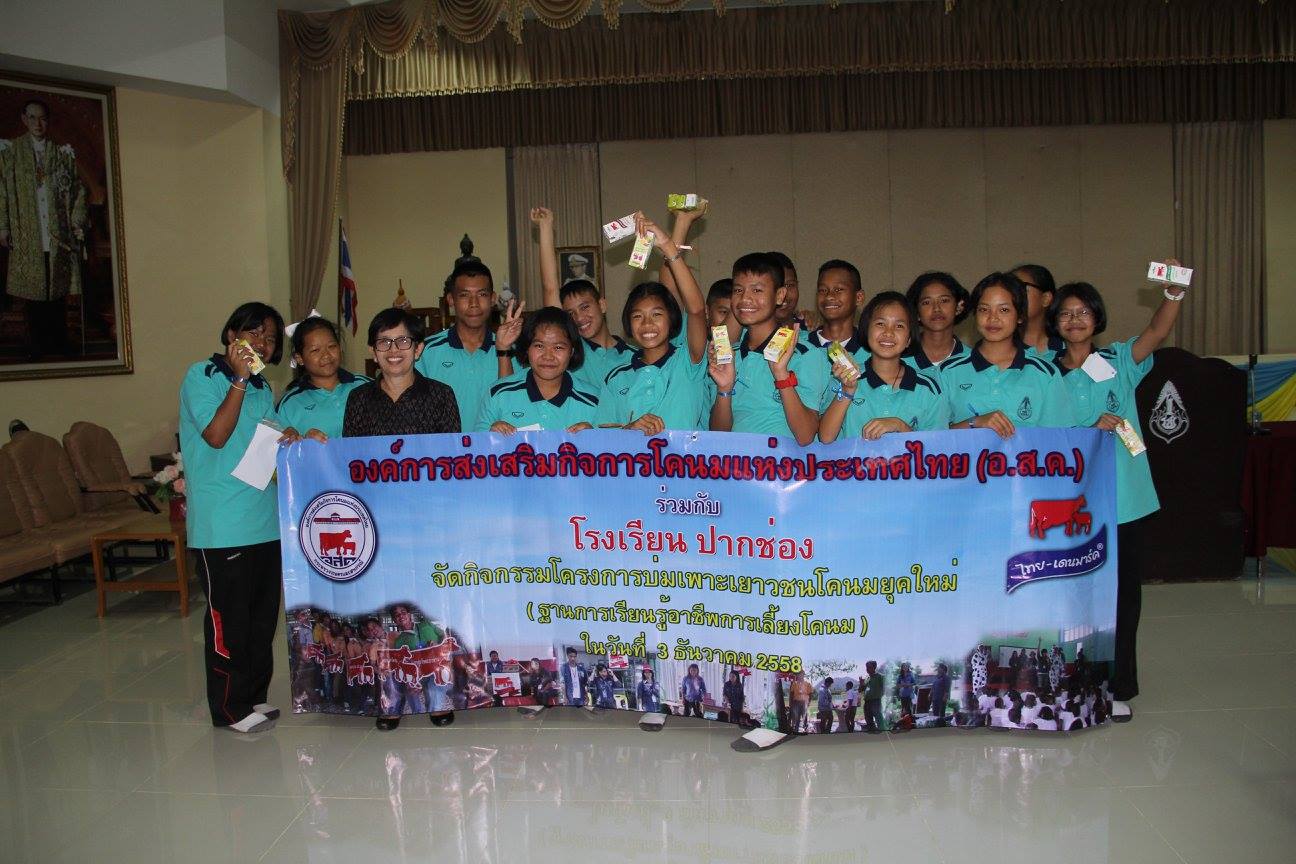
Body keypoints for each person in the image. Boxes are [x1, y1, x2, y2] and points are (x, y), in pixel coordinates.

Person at [1049, 272, 1188, 721]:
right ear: (1055, 321)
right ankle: (1070, 681)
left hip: (1123, 499)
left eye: (1083, 312)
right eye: (1066, 313)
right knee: (1073, 597)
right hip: (1071, 504)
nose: (1075, 320)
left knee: (1123, 596)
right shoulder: (1044, 371)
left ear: (1097, 318)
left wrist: (1173, 293)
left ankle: (1118, 685)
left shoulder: (1119, 360)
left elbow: (1157, 331)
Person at [180, 302, 300, 733]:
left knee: (260, 619)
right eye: (255, 333)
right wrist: (238, 380)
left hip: (263, 520)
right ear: (232, 335)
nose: (263, 344)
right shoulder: (203, 375)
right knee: (228, 621)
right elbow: (215, 436)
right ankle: (229, 708)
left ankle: (252, 695)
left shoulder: (264, 387)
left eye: (270, 338)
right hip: (222, 525)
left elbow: (269, 438)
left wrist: (290, 434)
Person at [343, 308, 460, 730]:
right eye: (384, 342)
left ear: (419, 348)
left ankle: (440, 698)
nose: (394, 350)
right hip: (378, 527)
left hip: (429, 524)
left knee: (431, 612)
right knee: (385, 618)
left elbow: (453, 462)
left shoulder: (440, 395)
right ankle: (388, 700)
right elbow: (350, 464)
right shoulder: (359, 400)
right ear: (373, 351)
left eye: (403, 341)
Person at [596, 214, 709, 433]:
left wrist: (667, 245)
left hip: (686, 457)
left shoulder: (688, 360)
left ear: (672, 318)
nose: (647, 324)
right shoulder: (616, 376)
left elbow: (695, 309)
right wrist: (630, 429)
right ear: (628, 322)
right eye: (637, 316)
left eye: (656, 314)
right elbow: (604, 436)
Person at [708, 253, 831, 445]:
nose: (745, 299)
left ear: (779, 295)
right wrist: (724, 388)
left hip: (783, 463)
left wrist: (781, 375)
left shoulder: (805, 354)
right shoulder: (728, 356)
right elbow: (718, 436)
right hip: (736, 463)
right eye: (738, 290)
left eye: (757, 290)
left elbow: (806, 436)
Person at [0, 99, 88, 360]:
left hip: (57, 233)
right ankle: (36, 343)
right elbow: (2, 192)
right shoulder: (10, 153)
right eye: (32, 117)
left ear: (48, 121)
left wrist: (77, 221)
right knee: (34, 291)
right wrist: (3, 226)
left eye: (42, 118)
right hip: (27, 231)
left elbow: (78, 191)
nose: (38, 124)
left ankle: (58, 341)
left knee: (56, 289)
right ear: (24, 119)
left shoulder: (62, 154)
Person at [940, 271, 1077, 435]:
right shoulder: (947, 371)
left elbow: (1061, 439)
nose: (993, 318)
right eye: (984, 309)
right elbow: (931, 438)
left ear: (1020, 316)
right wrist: (974, 422)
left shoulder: (1045, 373)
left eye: (1004, 310)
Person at [819, 292, 951, 443]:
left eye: (899, 326)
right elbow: (825, 438)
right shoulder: (844, 377)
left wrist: (900, 427)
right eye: (880, 324)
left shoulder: (928, 388)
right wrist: (847, 390)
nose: (888, 333)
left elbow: (938, 448)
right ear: (867, 330)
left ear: (909, 339)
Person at [534, 207, 633, 391]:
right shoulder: (572, 351)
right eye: (571, 313)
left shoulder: (634, 356)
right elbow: (550, 287)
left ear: (602, 305)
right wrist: (545, 226)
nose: (579, 318)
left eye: (585, 307)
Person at [415, 260, 516, 431]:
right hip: (443, 447)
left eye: (482, 294)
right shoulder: (426, 351)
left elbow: (513, 405)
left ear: (492, 299)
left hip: (496, 446)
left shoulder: (510, 351)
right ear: (451, 300)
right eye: (464, 295)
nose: (474, 303)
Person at [476, 306, 599, 432]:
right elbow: (476, 443)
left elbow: (608, 441)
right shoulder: (498, 394)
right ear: (527, 348)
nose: (548, 356)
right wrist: (490, 436)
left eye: (558, 347)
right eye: (539, 346)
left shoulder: (594, 400)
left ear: (571, 352)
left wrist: (595, 437)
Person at [276, 317, 370, 440]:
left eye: (331, 346)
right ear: (299, 358)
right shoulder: (289, 404)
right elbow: (279, 446)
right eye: (315, 350)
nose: (326, 355)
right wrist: (304, 441)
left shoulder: (365, 385)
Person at [903, 271, 970, 370]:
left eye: (944, 300)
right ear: (916, 312)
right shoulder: (899, 359)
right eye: (926, 302)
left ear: (959, 307)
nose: (936, 308)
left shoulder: (973, 361)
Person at [808, 260, 865, 350]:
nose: (829, 296)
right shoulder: (797, 348)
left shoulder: (872, 350)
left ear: (859, 297)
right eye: (823, 290)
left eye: (838, 290)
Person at [1013, 263, 1065, 357]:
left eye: (1021, 288)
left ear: (1046, 298)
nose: (1014, 297)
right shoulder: (1000, 348)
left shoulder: (1066, 349)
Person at [861, 661, 884, 733]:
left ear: (874, 667)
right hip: (867, 701)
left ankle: (883, 732)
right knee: (868, 718)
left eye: (869, 667)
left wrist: (879, 695)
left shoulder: (880, 677)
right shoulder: (867, 678)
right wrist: (861, 684)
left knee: (878, 718)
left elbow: (885, 688)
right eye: (866, 667)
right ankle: (872, 732)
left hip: (875, 701)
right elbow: (861, 690)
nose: (867, 669)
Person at [930, 662, 951, 727]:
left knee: (941, 714)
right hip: (935, 698)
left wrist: (945, 696)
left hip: (941, 698)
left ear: (943, 669)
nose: (938, 669)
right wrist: (930, 694)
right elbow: (933, 686)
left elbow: (947, 688)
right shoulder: (936, 677)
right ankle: (936, 725)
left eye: (939, 668)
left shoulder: (946, 677)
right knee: (935, 714)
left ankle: (942, 726)